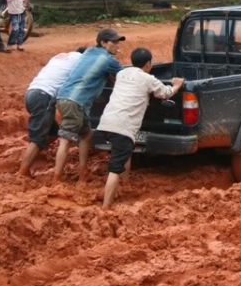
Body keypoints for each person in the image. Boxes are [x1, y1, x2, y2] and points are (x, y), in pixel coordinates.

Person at [97, 48, 183, 209]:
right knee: (115, 167)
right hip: (122, 126)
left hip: (106, 122)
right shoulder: (147, 79)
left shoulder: (122, 73)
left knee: (125, 152)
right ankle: (106, 207)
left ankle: (125, 184)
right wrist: (177, 85)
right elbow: (166, 93)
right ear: (148, 63)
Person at [53, 29, 125, 184]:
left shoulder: (89, 52)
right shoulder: (108, 60)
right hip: (75, 102)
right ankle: (56, 178)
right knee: (66, 140)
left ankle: (82, 173)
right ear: (103, 43)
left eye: (118, 42)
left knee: (86, 135)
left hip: (65, 98)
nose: (117, 46)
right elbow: (126, 76)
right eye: (114, 42)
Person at [18, 48, 87, 178]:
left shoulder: (61, 57)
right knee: (38, 139)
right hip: (45, 96)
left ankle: (35, 154)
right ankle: (23, 172)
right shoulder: (80, 59)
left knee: (54, 133)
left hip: (32, 93)